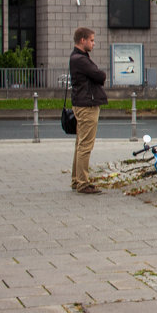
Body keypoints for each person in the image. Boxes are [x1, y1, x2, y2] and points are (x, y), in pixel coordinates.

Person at [69, 27, 107, 194]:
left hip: (81, 103)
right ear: (82, 40)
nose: (94, 43)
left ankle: (76, 180)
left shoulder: (77, 57)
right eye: (91, 40)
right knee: (85, 146)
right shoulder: (81, 59)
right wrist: (100, 73)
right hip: (87, 105)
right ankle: (83, 182)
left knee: (80, 144)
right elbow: (99, 76)